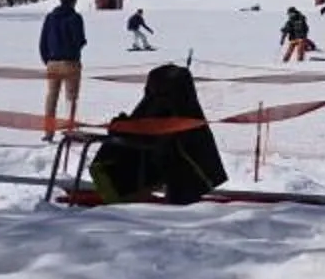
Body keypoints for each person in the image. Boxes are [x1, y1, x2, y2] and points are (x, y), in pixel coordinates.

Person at [86, 64, 227, 206]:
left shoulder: (169, 105)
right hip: (148, 157)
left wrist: (122, 127)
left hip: (150, 161)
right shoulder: (180, 105)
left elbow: (149, 130)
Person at [39, 0, 86, 140]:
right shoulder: (75, 17)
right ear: (74, 1)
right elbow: (78, 40)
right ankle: (71, 129)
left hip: (52, 62)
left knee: (51, 97)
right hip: (70, 61)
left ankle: (48, 131)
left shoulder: (50, 17)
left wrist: (47, 59)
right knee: (71, 98)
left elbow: (43, 41)